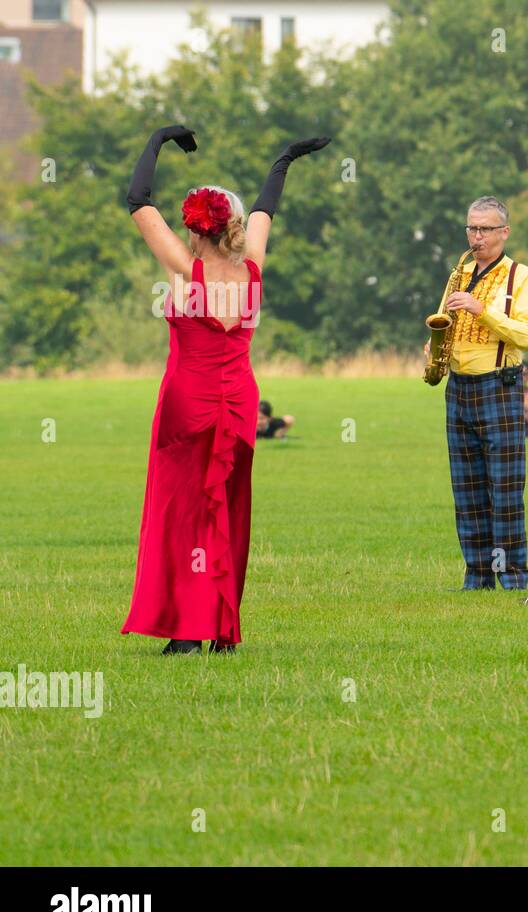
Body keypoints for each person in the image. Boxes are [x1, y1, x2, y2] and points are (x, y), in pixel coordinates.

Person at [121, 126, 329, 654]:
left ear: (194, 230)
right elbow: (266, 207)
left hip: (187, 404)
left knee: (182, 516)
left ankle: (188, 630)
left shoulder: (185, 270)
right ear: (231, 228)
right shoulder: (251, 266)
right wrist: (285, 157)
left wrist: (160, 140)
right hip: (238, 404)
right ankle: (221, 629)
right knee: (228, 514)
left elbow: (137, 199)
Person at [424, 197, 528, 590]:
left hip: (500, 384)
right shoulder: (458, 273)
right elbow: (443, 321)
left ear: (504, 232)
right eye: (472, 228)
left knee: (504, 489)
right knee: (467, 487)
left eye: (485, 229)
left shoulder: (522, 277)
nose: (477, 237)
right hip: (459, 387)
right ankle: (477, 577)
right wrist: (434, 347)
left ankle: (510, 576)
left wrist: (481, 310)